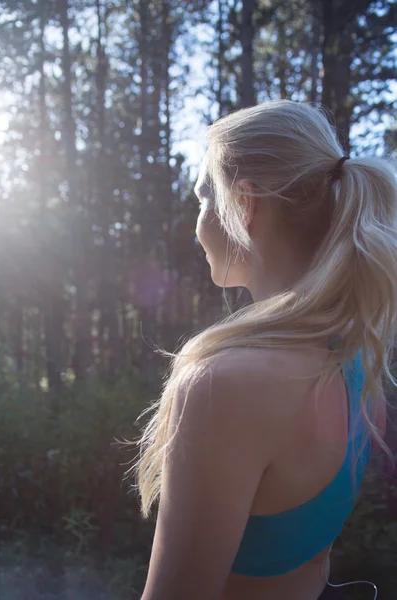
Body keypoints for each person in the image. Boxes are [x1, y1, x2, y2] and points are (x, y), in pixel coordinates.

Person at [128, 100, 397, 600]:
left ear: (244, 204)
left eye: (202, 201)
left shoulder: (225, 384)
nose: (197, 225)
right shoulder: (358, 362)